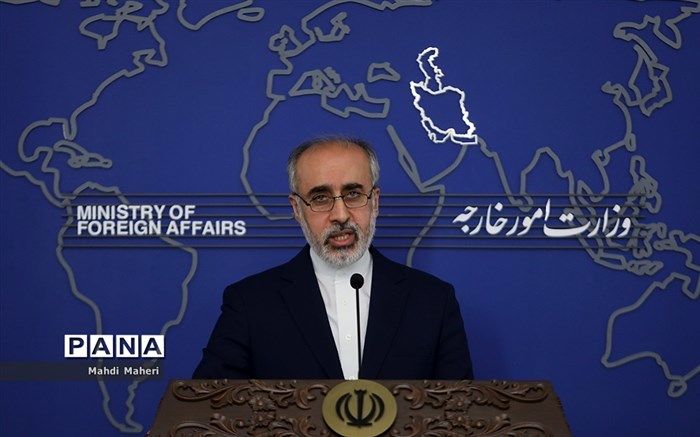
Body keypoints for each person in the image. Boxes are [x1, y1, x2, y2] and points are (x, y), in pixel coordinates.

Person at [193, 136, 472, 380]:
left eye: (353, 194)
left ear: (375, 201)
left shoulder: (434, 301)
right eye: (320, 198)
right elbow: (209, 407)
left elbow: (461, 409)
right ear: (296, 208)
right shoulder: (249, 303)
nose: (340, 215)